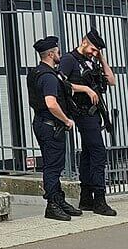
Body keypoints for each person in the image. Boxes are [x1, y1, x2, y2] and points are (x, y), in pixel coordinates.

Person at [58, 30, 119, 217]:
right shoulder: (69, 59)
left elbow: (112, 81)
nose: (94, 52)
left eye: (97, 51)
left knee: (87, 154)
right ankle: (99, 199)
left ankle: (86, 197)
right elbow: (61, 83)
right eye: (93, 49)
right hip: (83, 113)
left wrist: (101, 59)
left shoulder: (93, 60)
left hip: (94, 114)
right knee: (98, 153)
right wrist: (84, 88)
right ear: (84, 42)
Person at [25, 35, 78, 221]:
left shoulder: (37, 72)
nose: (60, 55)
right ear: (50, 54)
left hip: (41, 123)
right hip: (51, 126)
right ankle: (53, 205)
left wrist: (86, 89)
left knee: (53, 164)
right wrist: (66, 120)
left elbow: (66, 86)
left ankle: (58, 199)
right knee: (53, 167)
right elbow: (51, 103)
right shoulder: (48, 77)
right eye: (57, 52)